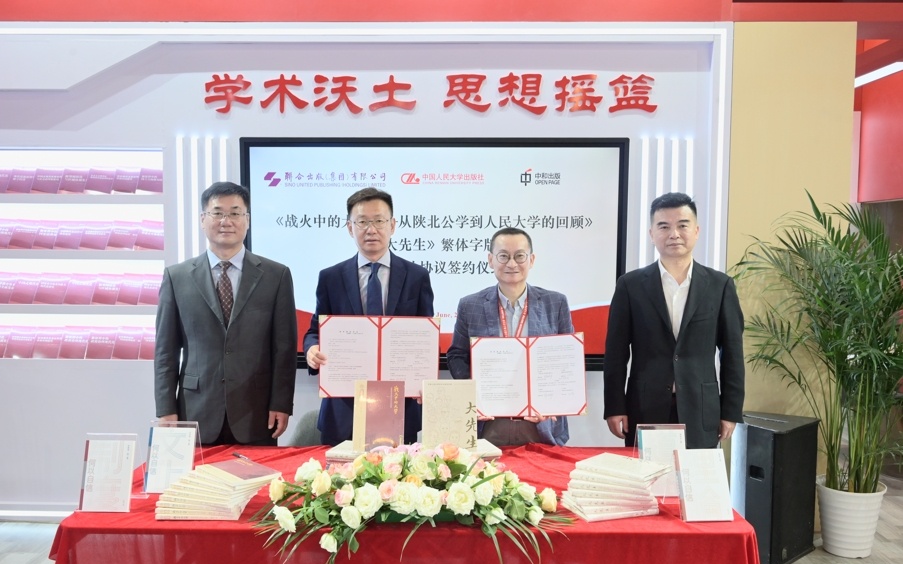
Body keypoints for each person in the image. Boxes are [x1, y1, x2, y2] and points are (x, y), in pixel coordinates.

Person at [154, 181, 297, 445]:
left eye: (235, 213)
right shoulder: (177, 277)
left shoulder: (276, 275)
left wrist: (281, 402)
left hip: (256, 410)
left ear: (247, 220)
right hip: (195, 409)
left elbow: (284, 348)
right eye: (217, 213)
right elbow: (165, 351)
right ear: (203, 219)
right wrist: (165, 408)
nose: (226, 221)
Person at [603, 192, 744, 449]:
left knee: (695, 474)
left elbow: (732, 353)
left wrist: (730, 410)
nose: (674, 234)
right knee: (648, 473)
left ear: (696, 231)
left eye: (682, 225)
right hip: (645, 406)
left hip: (701, 407)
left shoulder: (720, 285)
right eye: (664, 226)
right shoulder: (630, 285)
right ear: (651, 233)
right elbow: (616, 352)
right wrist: (614, 407)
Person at [303, 187, 434, 446]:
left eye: (379, 221)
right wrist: (311, 349)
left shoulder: (417, 277)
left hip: (398, 404)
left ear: (392, 225)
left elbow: (425, 337)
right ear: (350, 228)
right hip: (343, 405)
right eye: (362, 222)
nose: (371, 229)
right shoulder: (330, 277)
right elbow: (315, 331)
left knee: (396, 473)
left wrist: (424, 377)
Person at [446, 227, 572, 446]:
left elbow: (566, 360)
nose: (512, 264)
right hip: (490, 424)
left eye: (519, 256)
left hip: (539, 423)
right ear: (490, 260)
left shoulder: (556, 303)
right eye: (503, 256)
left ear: (531, 260)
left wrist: (552, 401)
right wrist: (474, 396)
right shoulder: (470, 305)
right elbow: (457, 356)